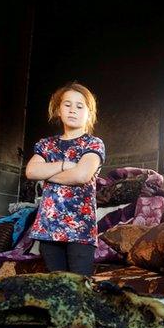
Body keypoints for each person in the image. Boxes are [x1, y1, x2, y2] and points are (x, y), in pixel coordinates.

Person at [26, 81, 106, 275]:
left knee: (79, 288)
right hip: (49, 227)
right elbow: (30, 172)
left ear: (89, 113)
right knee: (57, 287)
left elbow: (81, 175)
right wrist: (64, 165)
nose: (73, 110)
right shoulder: (46, 145)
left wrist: (47, 172)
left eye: (80, 106)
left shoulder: (93, 143)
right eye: (67, 104)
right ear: (58, 110)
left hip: (80, 228)